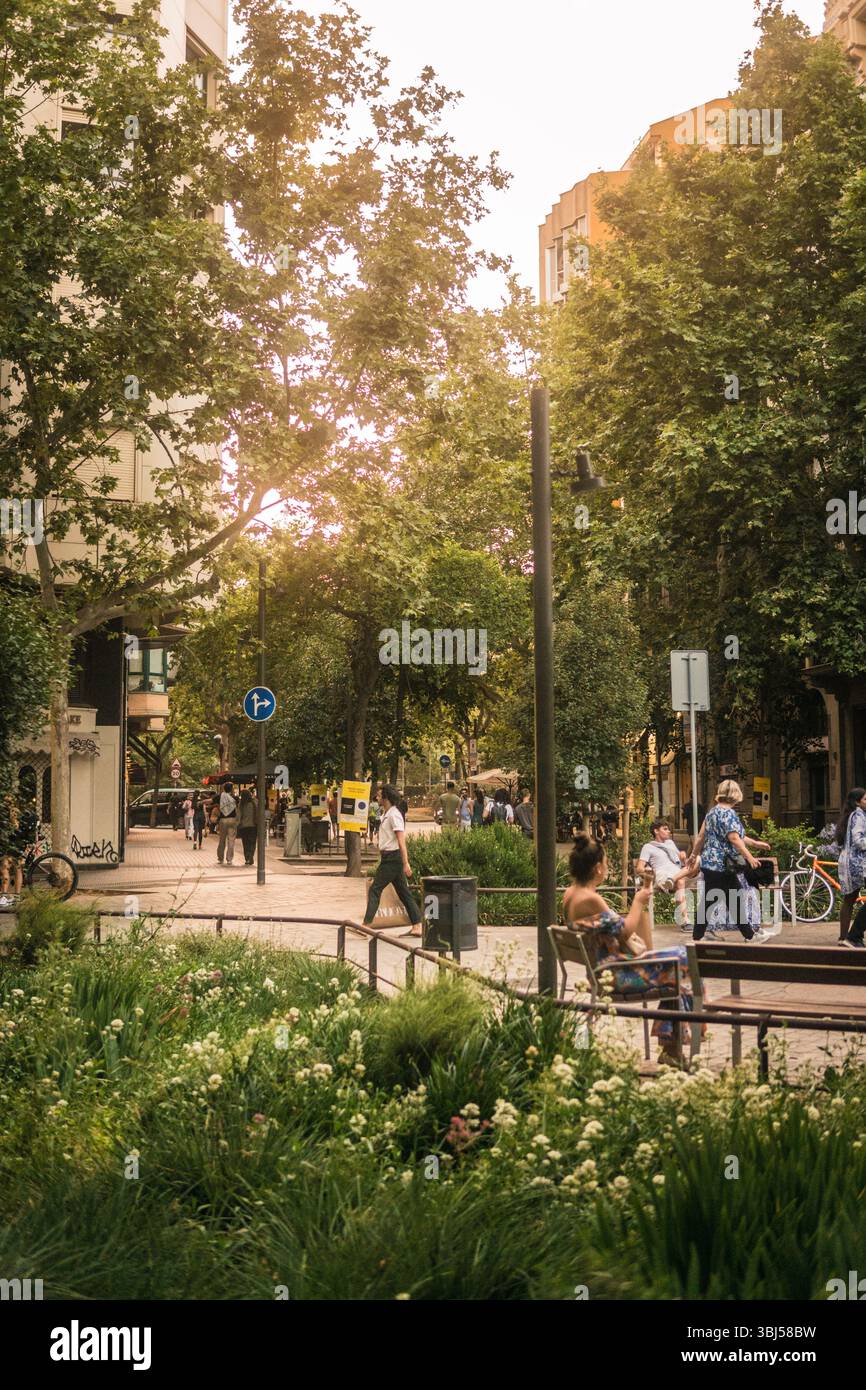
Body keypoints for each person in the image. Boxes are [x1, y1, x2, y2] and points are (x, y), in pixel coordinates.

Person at [564, 831, 705, 1065]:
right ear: (598, 868)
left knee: (677, 972)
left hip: (603, 971)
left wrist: (641, 900)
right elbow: (625, 931)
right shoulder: (590, 898)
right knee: (685, 962)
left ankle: (672, 1049)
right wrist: (639, 902)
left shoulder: (571, 894)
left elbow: (618, 931)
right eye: (606, 863)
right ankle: (673, 1047)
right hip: (618, 975)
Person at [688, 780, 771, 942]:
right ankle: (750, 936)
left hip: (710, 864)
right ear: (736, 795)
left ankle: (698, 937)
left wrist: (693, 856)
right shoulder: (729, 814)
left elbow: (701, 837)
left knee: (711, 899)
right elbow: (733, 837)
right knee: (733, 897)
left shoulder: (711, 813)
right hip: (723, 865)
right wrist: (750, 857)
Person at [363, 784, 423, 937]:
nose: (377, 796)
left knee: (375, 889)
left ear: (386, 797)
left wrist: (405, 862)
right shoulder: (388, 813)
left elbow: (401, 841)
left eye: (379, 794)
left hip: (392, 858)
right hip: (389, 857)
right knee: (404, 893)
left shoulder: (395, 814)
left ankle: (366, 925)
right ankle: (417, 925)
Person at [636, 819, 698, 932]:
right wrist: (649, 871)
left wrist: (684, 857)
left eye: (668, 829)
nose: (668, 831)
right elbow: (639, 868)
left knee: (698, 859)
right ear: (656, 831)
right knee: (680, 881)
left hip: (677, 873)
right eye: (665, 829)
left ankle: (673, 879)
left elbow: (680, 861)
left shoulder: (670, 843)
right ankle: (685, 921)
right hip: (663, 877)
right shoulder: (648, 847)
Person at [837, 787, 866, 946]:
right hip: (858, 864)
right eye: (865, 799)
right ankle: (852, 937)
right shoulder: (859, 815)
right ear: (857, 802)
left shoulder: (853, 815)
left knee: (849, 899)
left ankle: (844, 938)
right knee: (850, 899)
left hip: (850, 863)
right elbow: (858, 841)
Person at [216, 781, 239, 865]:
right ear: (232, 789)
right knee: (231, 840)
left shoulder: (220, 796)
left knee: (222, 840)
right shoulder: (235, 798)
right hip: (232, 820)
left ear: (224, 788)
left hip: (223, 820)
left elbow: (210, 800)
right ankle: (229, 859)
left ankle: (220, 859)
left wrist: (201, 802)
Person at [238, 788, 258, 866]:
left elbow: (239, 815)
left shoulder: (241, 804)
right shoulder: (255, 802)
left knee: (245, 843)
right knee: (252, 842)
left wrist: (238, 824)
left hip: (244, 826)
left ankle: (247, 858)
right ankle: (251, 856)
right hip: (253, 825)